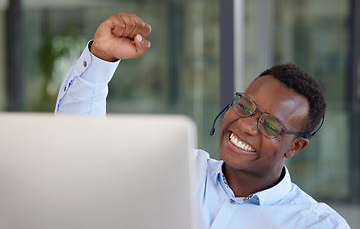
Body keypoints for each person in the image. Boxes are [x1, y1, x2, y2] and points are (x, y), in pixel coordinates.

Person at [55, 12, 351, 228]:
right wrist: (101, 59)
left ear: (295, 147)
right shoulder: (174, 171)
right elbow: (81, 155)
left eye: (270, 125)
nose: (247, 125)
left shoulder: (316, 225)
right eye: (246, 105)